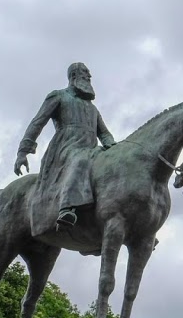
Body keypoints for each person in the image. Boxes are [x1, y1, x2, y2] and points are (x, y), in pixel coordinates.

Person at [15, 62, 116, 233]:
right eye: (85, 72)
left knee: (111, 166)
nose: (89, 76)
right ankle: (66, 208)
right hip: (65, 149)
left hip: (91, 151)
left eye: (89, 73)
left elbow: (104, 134)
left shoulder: (93, 109)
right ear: (74, 75)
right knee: (81, 160)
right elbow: (37, 122)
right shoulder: (59, 96)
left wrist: (113, 148)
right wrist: (23, 151)